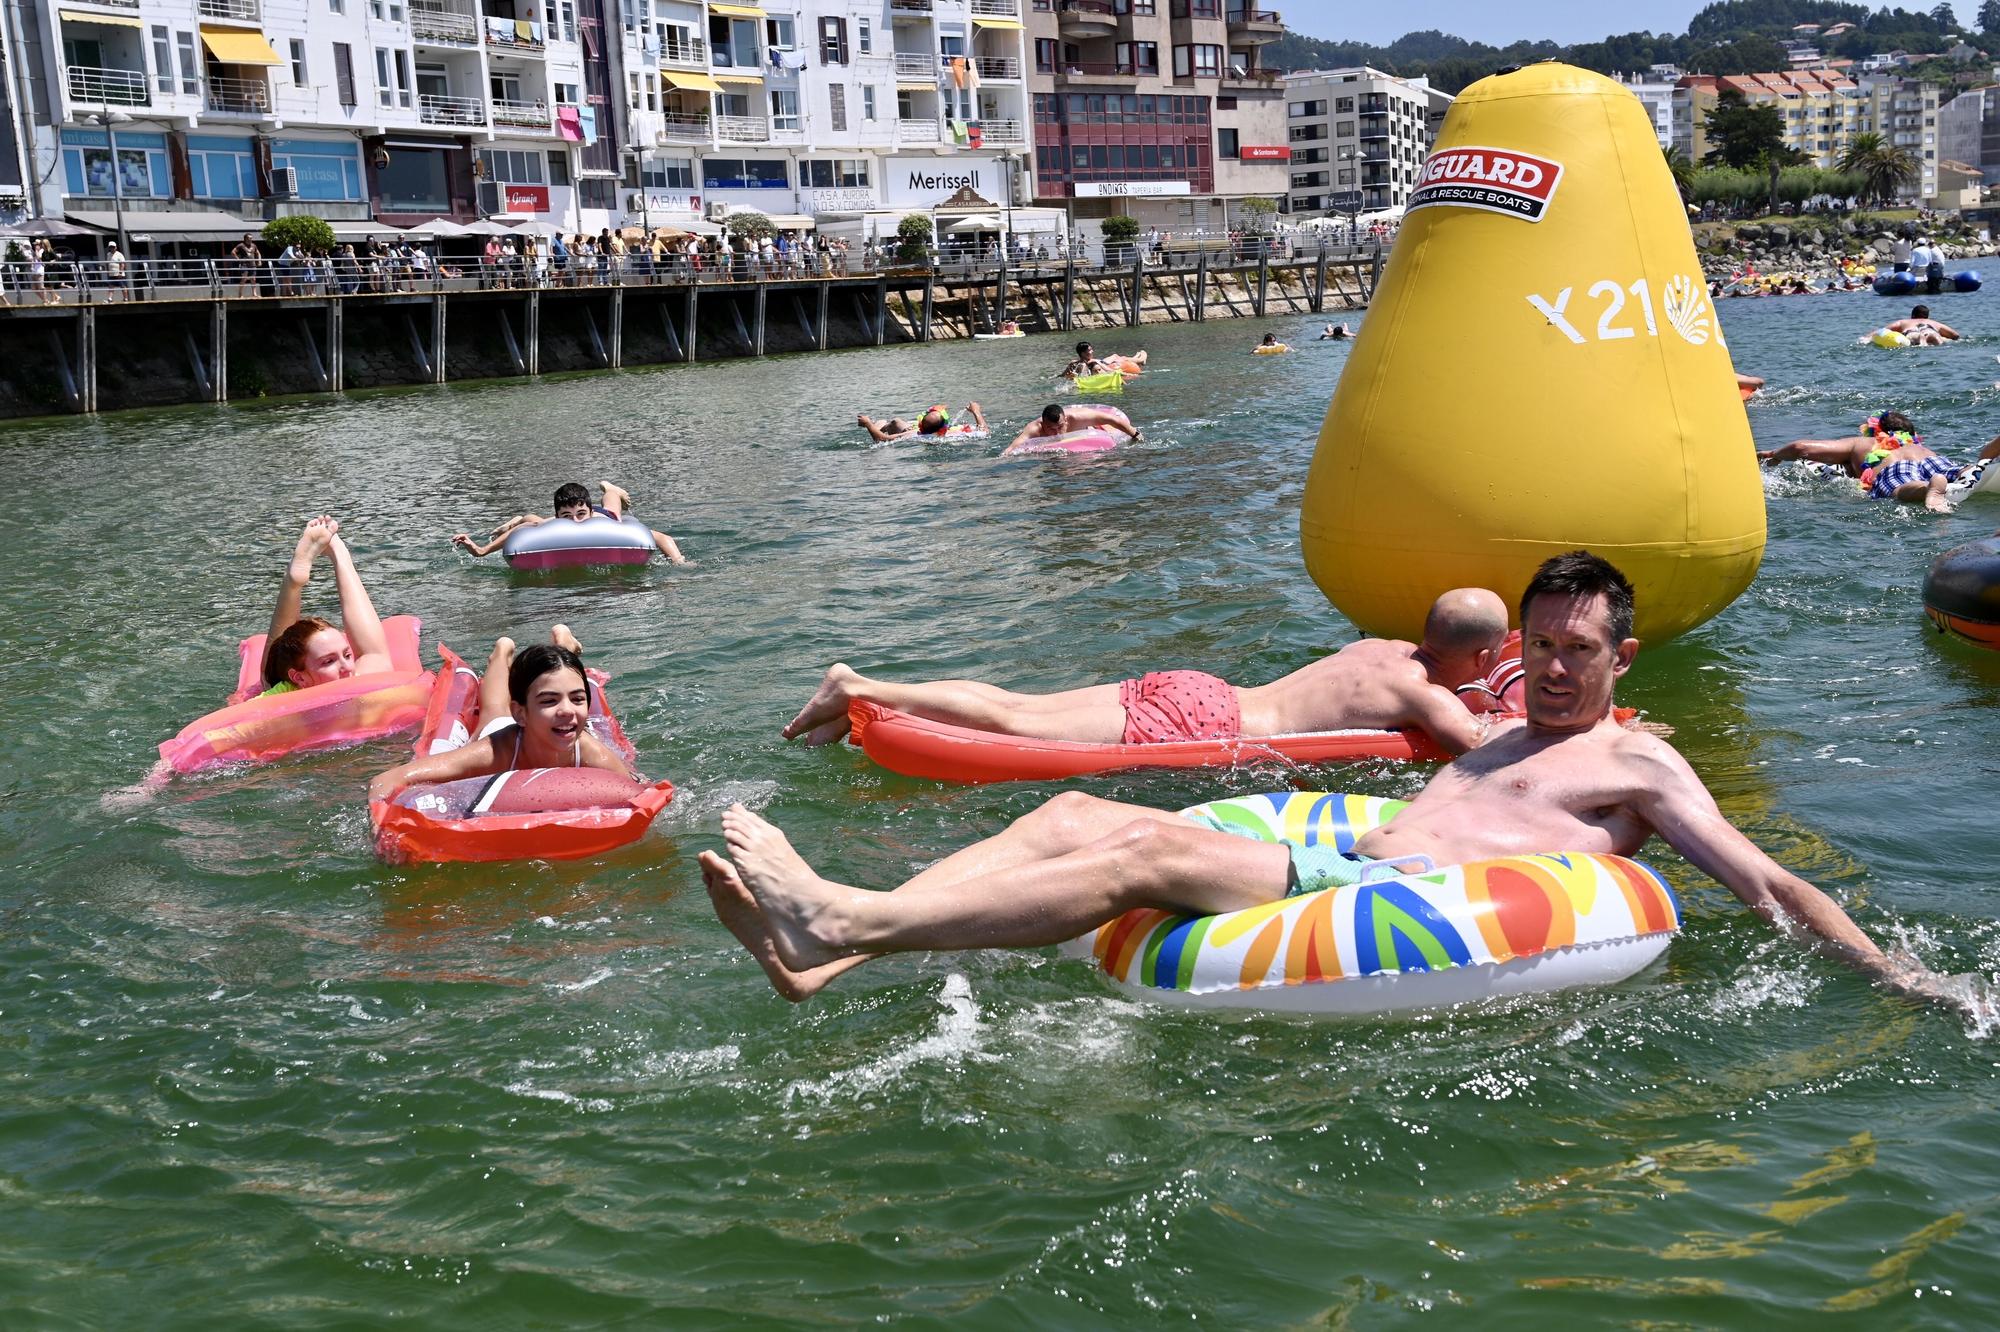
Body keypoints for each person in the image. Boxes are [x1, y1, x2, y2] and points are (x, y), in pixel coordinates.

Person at [705, 552, 1988, 1017]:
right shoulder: (1492, 734)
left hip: (1355, 893)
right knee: (1070, 808)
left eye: (1574, 651)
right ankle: (832, 955)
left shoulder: (1636, 760)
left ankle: (848, 915)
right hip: (1334, 862)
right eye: (1536, 647)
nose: (1548, 670)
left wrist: (1896, 977)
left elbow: (1759, 879)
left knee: (1137, 862)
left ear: (1620, 657)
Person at [780, 588, 1510, 753]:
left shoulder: (1375, 649)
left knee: (1018, 705)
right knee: (1016, 722)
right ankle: (860, 686)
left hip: (1201, 690)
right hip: (1211, 723)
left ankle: (872, 702)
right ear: (1481, 658)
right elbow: (1478, 749)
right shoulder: (1420, 695)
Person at [367, 629, 637, 802]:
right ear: (521, 712)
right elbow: (384, 781)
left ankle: (564, 643)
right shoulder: (494, 753)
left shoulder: (590, 752)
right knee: (494, 707)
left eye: (577, 699)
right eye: (549, 701)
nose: (567, 710)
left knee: (558, 675)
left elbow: (640, 792)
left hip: (539, 727)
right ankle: (502, 651)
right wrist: (384, 832)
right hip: (504, 730)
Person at [258, 516, 398, 696]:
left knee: (269, 679)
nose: (347, 667)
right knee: (270, 679)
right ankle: (338, 555)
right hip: (300, 694)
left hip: (314, 689)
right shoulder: (283, 698)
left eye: (347, 656)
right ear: (299, 679)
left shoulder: (357, 678)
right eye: (329, 661)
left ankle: (307, 573)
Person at [1759, 411, 2000, 513]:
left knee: (1900, 487)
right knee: (1964, 471)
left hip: (1895, 469)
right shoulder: (1921, 447)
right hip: (1936, 462)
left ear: (1875, 431)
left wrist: (1775, 454)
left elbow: (1802, 448)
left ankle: (1929, 488)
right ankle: (1982, 466)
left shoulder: (1863, 444)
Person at [453, 480, 690, 563]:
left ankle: (609, 486)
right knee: (531, 521)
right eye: (567, 516)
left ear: (586, 511)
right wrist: (480, 551)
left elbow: (662, 537)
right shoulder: (558, 523)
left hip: (604, 516)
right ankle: (518, 517)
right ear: (558, 516)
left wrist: (678, 561)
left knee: (612, 502)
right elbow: (527, 530)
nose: (575, 522)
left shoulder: (607, 523)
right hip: (552, 522)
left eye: (580, 515)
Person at [1008, 403, 1142, 450]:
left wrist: (1135, 434)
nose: (1056, 433)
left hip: (1090, 432)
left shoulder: (1078, 417)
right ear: (1043, 424)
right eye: (1050, 428)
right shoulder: (1034, 428)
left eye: (1059, 427)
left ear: (1065, 420)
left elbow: (1112, 419)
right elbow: (1013, 448)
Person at [856, 403, 988, 442]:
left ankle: (879, 425)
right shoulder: (955, 433)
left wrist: (868, 424)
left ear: (920, 426)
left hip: (903, 431)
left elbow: (882, 439)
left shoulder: (913, 434)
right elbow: (984, 431)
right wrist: (976, 411)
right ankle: (881, 424)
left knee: (896, 421)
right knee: (897, 422)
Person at [1886, 305, 1959, 343]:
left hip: (1912, 332)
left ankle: (1921, 338)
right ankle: (1930, 337)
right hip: (1930, 330)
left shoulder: (1903, 322)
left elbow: (1884, 331)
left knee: (1916, 338)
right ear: (1927, 317)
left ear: (1912, 316)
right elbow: (1955, 335)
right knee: (1937, 339)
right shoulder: (1934, 323)